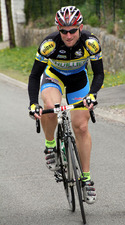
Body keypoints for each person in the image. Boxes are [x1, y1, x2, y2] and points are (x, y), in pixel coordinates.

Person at [28, 6, 104, 204]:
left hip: (79, 81)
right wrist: (33, 104)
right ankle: (51, 147)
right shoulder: (49, 45)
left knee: (81, 126)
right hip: (54, 78)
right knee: (51, 107)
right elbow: (35, 75)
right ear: (58, 29)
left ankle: (86, 180)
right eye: (63, 31)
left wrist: (92, 94)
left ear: (80, 27)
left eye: (72, 30)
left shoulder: (91, 43)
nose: (68, 35)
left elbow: (99, 73)